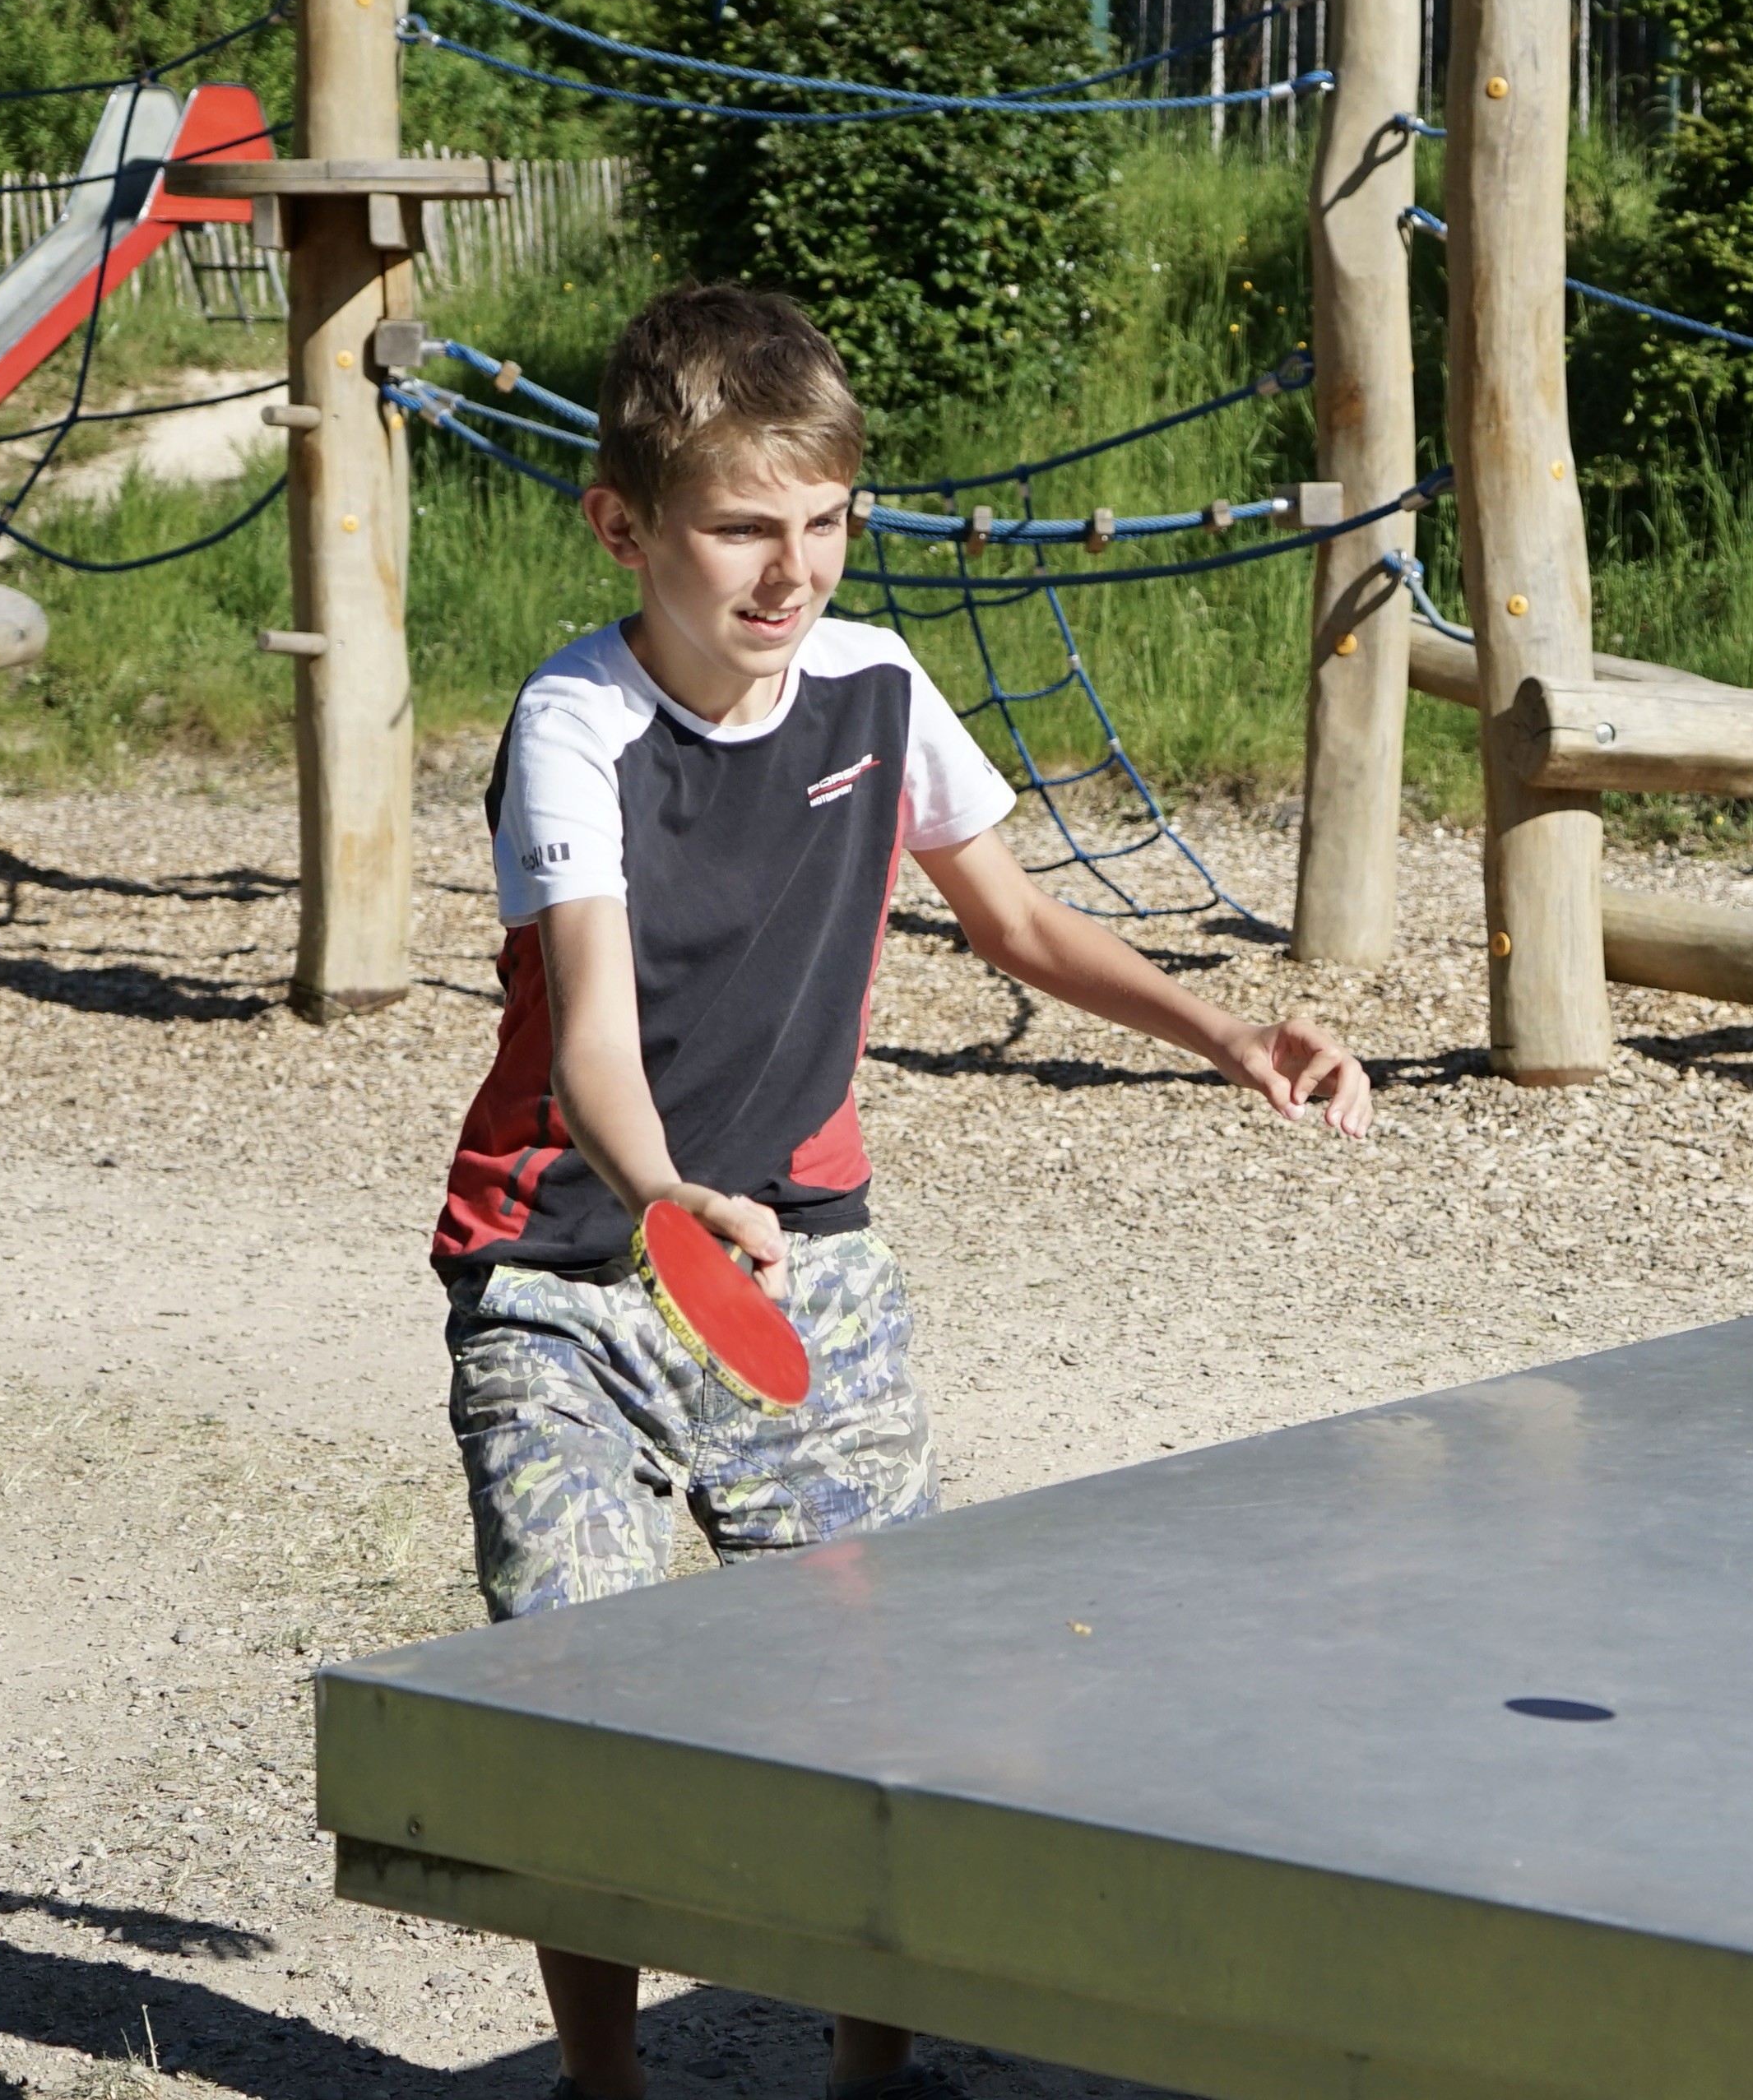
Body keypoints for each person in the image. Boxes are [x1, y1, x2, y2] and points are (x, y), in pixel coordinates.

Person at [434, 281, 1374, 2100]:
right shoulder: (576, 723)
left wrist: (1222, 1029)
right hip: (567, 1263)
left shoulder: (877, 684)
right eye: (740, 528)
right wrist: (664, 1194)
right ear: (622, 523)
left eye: (824, 521)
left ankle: (876, 2070)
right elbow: (594, 1036)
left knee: (877, 1685)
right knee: (589, 1687)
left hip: (811, 1252)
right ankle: (605, 2079)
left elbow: (1016, 920)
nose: (790, 571)